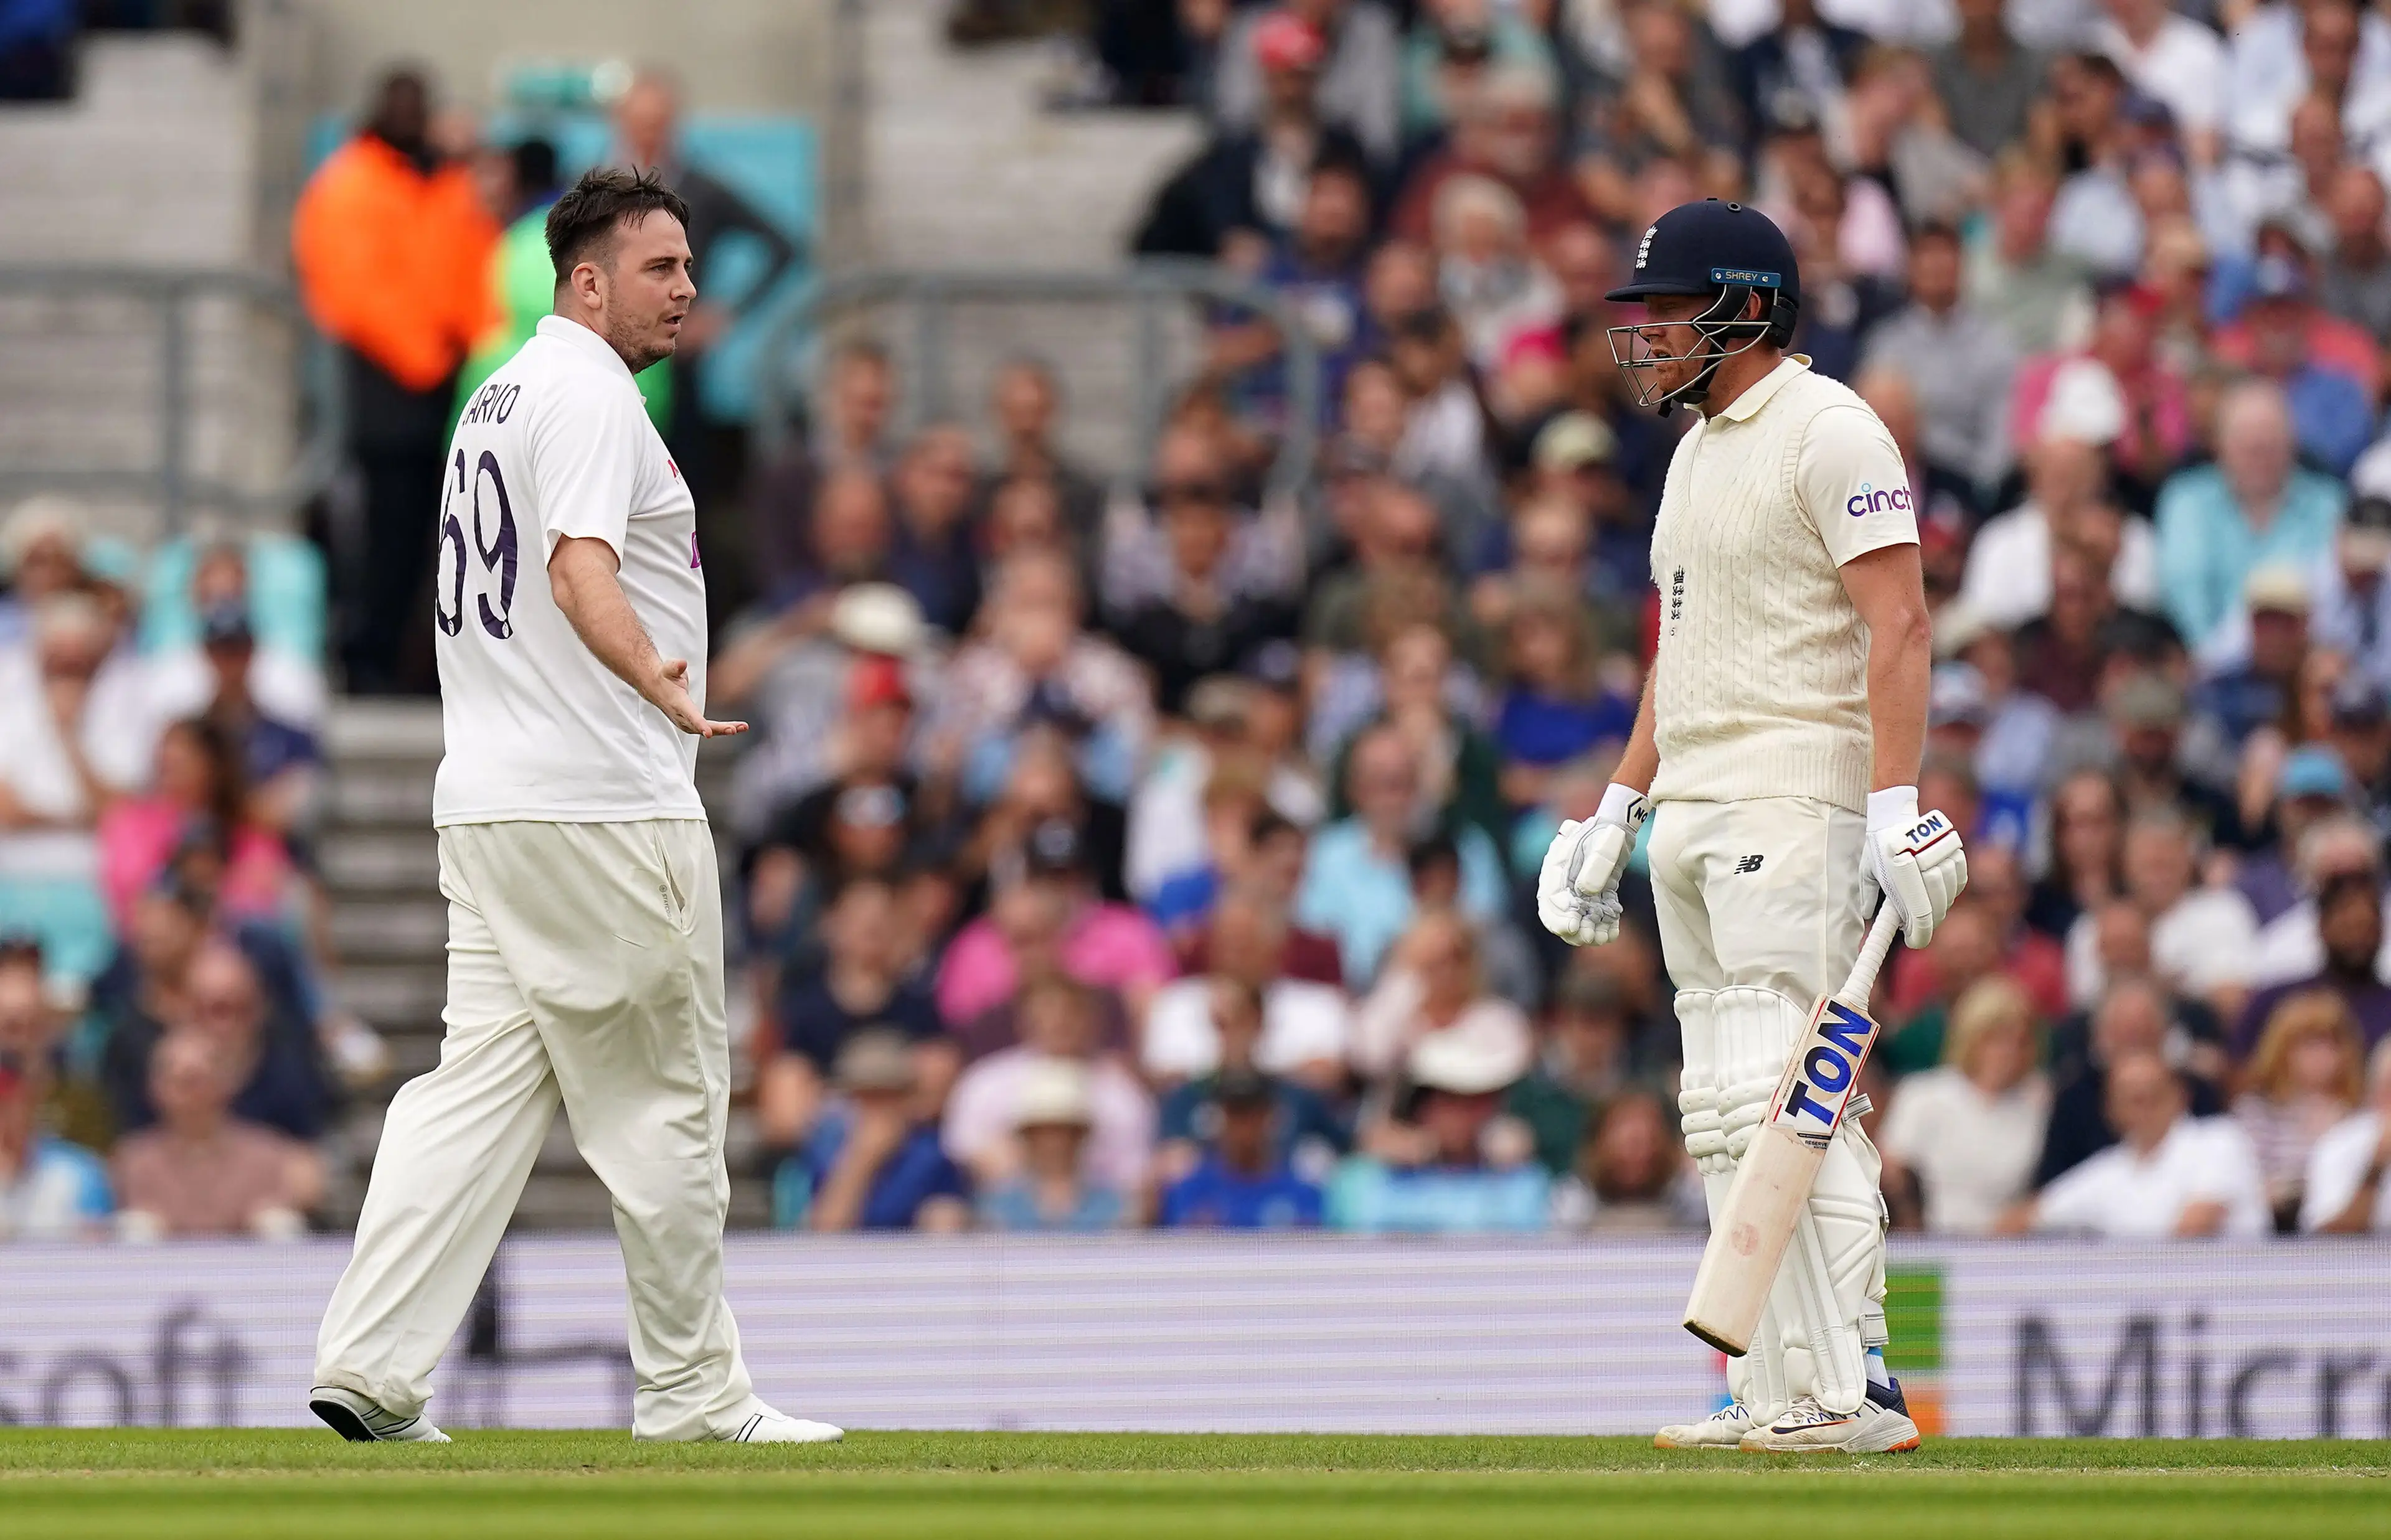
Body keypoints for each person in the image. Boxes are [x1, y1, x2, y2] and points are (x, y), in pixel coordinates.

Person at [311, 170, 841, 1446]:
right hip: (600, 803)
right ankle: (693, 1395)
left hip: (488, 801)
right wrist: (652, 671)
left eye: (689, 266)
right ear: (586, 279)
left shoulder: (495, 396)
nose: (688, 290)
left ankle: (372, 1366)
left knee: (476, 1091)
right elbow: (577, 567)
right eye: (661, 268)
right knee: (664, 1101)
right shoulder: (596, 395)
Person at [1536, 200, 1965, 1454]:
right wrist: (1617, 801)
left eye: (1673, 309)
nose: (1652, 334)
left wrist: (1892, 800)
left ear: (1745, 305)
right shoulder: (1700, 450)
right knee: (1726, 1107)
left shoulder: (1831, 430)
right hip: (1697, 807)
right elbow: (1686, 652)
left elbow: (1901, 625)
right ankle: (1775, 1391)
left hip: (1795, 796)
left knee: (1799, 1097)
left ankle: (1859, 1387)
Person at [291, 69, 498, 694]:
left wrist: (467, 343)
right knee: (385, 533)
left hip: (446, 381)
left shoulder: (440, 180)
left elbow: (472, 263)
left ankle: (426, 662)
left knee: (450, 532)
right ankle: (369, 658)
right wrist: (426, 354)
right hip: (386, 388)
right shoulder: (352, 182)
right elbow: (353, 290)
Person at [2008, 1049, 2271, 1239]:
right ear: (2111, 1109)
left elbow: (2195, 1228)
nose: (2145, 1106)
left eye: (2153, 1094)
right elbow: (2026, 1217)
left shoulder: (2220, 1140)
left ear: (2180, 1095)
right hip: (2144, 1303)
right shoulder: (2108, 1170)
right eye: (2132, 1099)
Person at [1876, 977, 2050, 1235]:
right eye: (1996, 1040)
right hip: (1928, 1242)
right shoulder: (1923, 1095)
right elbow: (1890, 1172)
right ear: (1970, 1039)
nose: (2009, 1052)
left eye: (2021, 1041)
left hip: (2006, 1248)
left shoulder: (2040, 1103)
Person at [110, 1030, 321, 1240]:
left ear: (226, 1083)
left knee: (280, 1225)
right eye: (179, 1082)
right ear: (156, 1088)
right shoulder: (134, 1161)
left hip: (251, 1270)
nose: (191, 1095)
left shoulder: (269, 1156)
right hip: (163, 1270)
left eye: (199, 1080)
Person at [777, 1028, 970, 1233]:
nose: (877, 1109)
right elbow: (824, 1234)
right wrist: (861, 1161)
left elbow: (944, 1225)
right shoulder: (822, 1148)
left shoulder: (931, 1155)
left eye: (888, 1095)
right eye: (866, 1096)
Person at [2233, 988, 2365, 1229]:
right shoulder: (2257, 1112)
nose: (2320, 1057)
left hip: (2348, 1236)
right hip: (2276, 1234)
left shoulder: (2360, 1114)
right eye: (2307, 1046)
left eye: (2330, 1045)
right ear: (2281, 1051)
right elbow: (2250, 1189)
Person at [1157, 1064, 1327, 1229]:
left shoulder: (1302, 1195)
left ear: (1270, 1116)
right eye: (1235, 1114)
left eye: (1253, 1115)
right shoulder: (1190, 1193)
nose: (1244, 1127)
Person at [975, 1057, 1128, 1232]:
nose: (1054, 1143)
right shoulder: (997, 1207)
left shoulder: (1116, 1206)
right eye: (1042, 1133)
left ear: (1080, 1136)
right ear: (1028, 1138)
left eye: (1064, 1132)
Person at [2300, 1036, 2391, 1232]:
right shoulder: (2342, 1144)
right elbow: (2327, 1238)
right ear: (2376, 1092)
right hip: (2369, 1262)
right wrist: (2377, 1164)